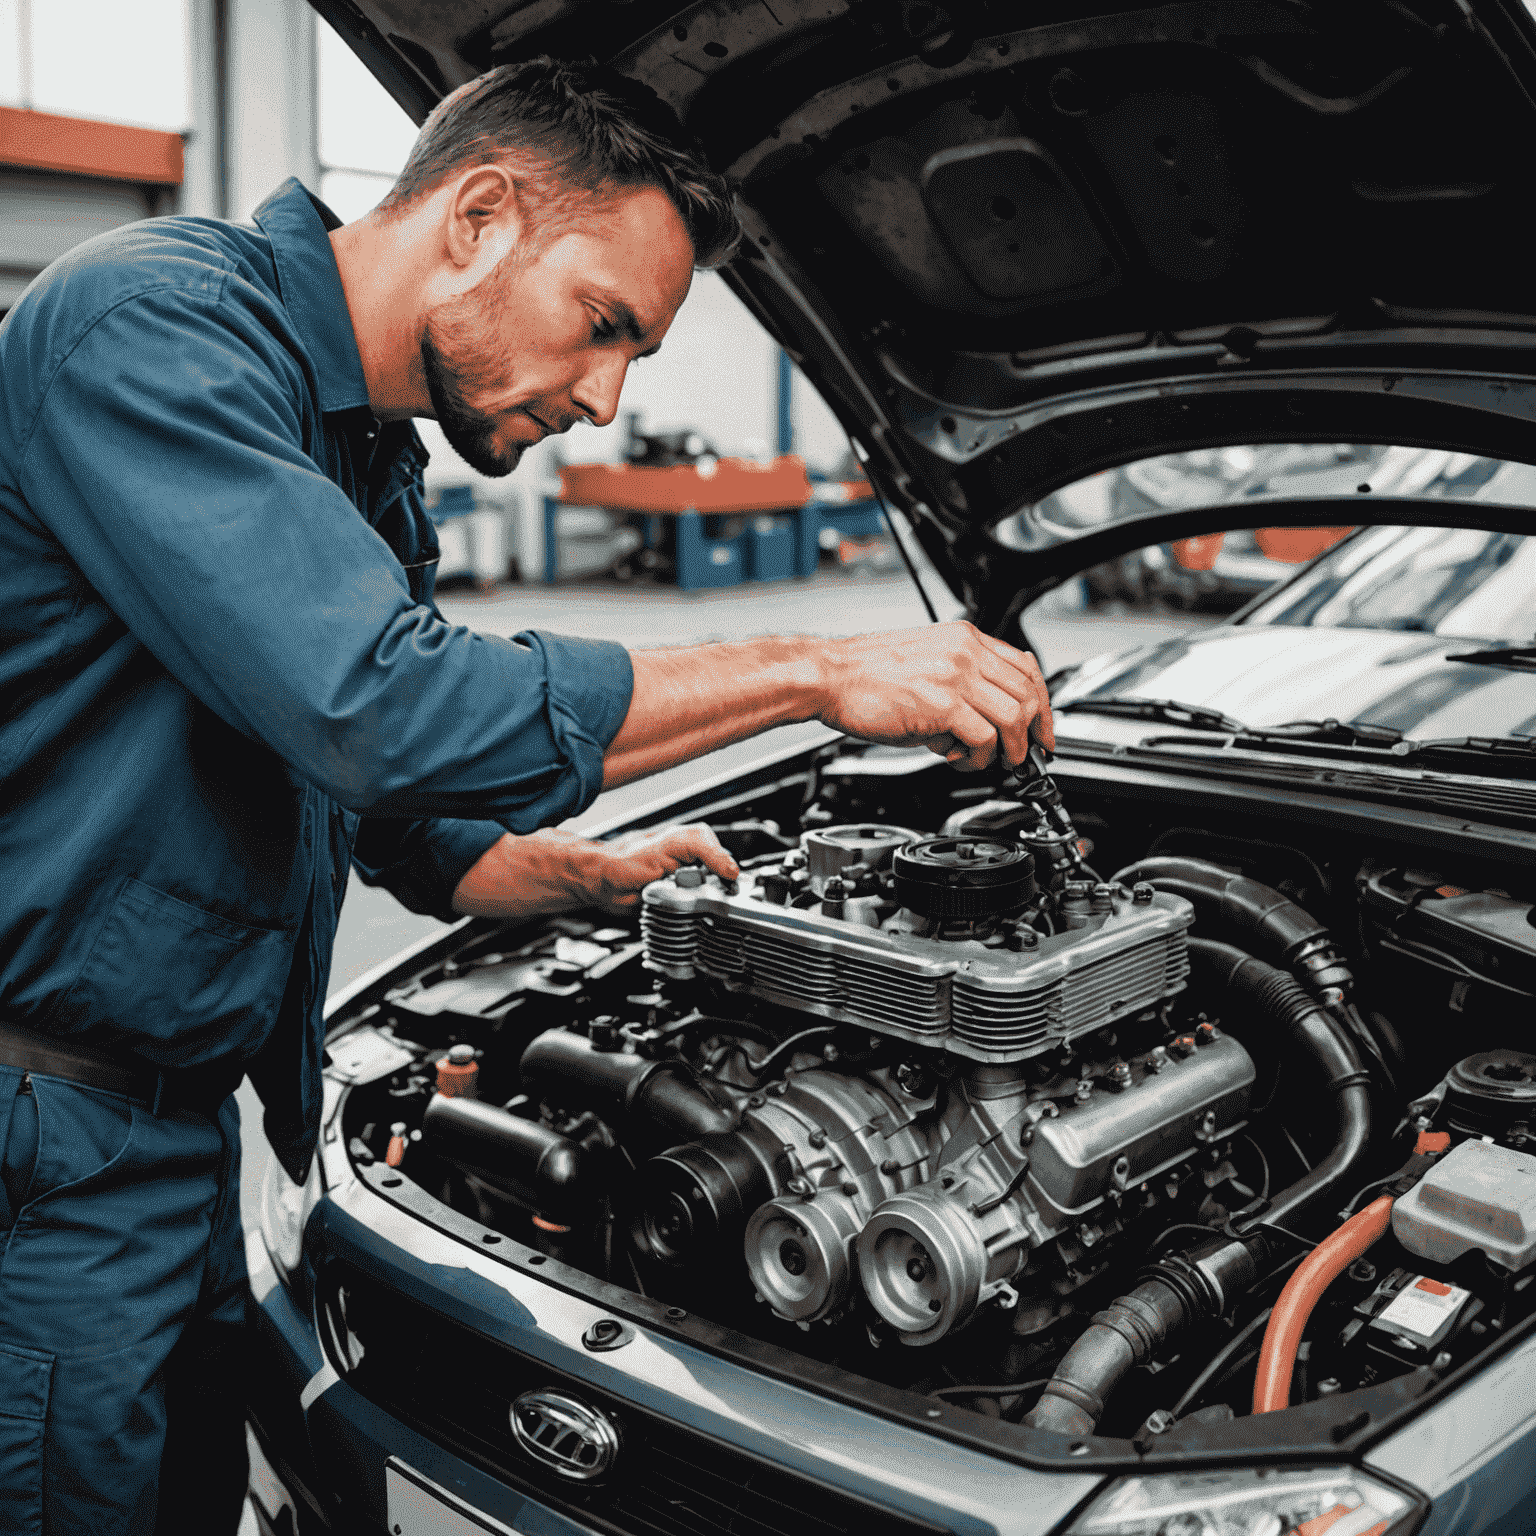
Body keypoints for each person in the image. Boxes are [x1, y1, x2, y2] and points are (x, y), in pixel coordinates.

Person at [0, 57, 1053, 1534]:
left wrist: (573, 873)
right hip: (42, 1147)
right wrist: (819, 665)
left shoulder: (366, 456)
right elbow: (379, 708)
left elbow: (394, 816)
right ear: (480, 218)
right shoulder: (153, 326)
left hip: (174, 1142)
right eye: (604, 326)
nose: (609, 399)